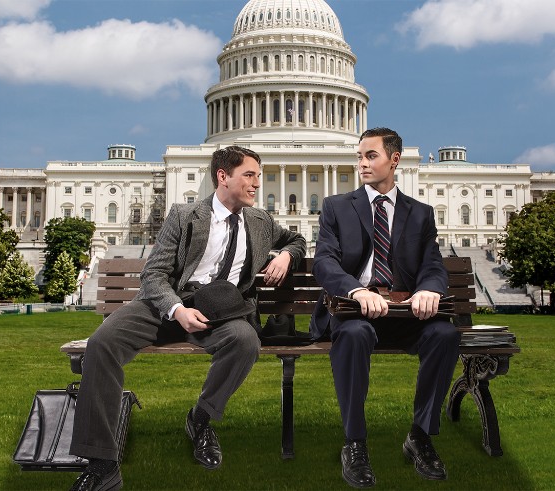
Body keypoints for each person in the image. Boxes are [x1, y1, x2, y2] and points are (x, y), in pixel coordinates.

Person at [70, 146, 307, 491]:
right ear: (223, 177)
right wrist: (177, 310)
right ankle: (103, 464)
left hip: (223, 311)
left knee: (245, 341)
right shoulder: (184, 215)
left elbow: (298, 240)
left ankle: (201, 419)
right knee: (102, 343)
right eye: (250, 175)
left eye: (259, 175)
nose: (258, 183)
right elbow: (154, 275)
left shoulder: (261, 222)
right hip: (170, 304)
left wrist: (286, 254)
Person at [311, 127, 460, 488]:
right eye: (359, 156)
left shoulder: (421, 214)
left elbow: (433, 265)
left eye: (371, 156)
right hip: (355, 311)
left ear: (394, 159)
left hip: (405, 312)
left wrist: (429, 289)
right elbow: (325, 262)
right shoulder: (336, 207)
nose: (361, 163)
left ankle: (421, 436)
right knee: (355, 334)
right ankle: (355, 443)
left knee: (444, 334)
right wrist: (355, 291)